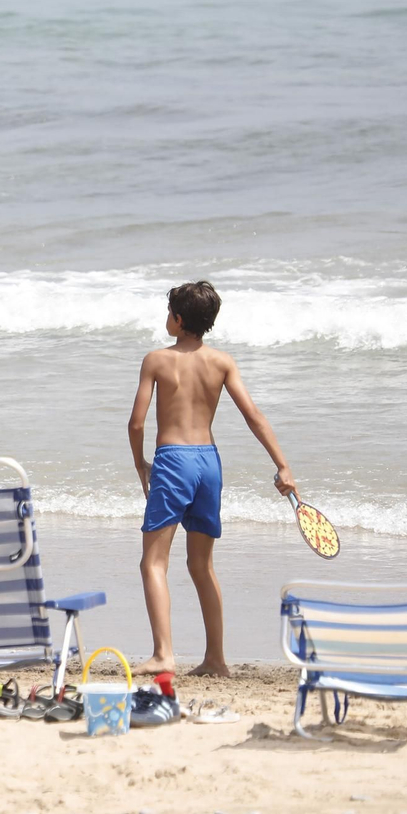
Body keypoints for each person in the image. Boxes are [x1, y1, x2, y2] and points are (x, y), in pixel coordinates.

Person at [127, 281, 296, 678]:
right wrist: (283, 465)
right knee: (201, 565)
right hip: (209, 463)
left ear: (180, 319)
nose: (167, 318)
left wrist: (141, 464)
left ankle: (164, 653)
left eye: (170, 312)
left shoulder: (156, 360)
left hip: (173, 461)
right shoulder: (223, 362)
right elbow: (254, 414)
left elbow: (136, 423)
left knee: (152, 562)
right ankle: (216, 659)